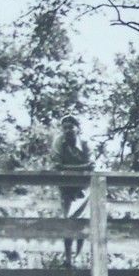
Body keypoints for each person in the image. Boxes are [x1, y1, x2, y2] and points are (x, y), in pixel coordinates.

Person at [51, 114, 92, 266]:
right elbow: (57, 166)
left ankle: (79, 256)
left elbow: (91, 166)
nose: (68, 130)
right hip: (66, 187)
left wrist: (69, 168)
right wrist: (80, 168)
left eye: (71, 127)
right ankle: (68, 258)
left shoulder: (86, 144)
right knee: (68, 219)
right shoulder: (59, 142)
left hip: (83, 188)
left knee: (83, 221)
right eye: (65, 128)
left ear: (78, 129)